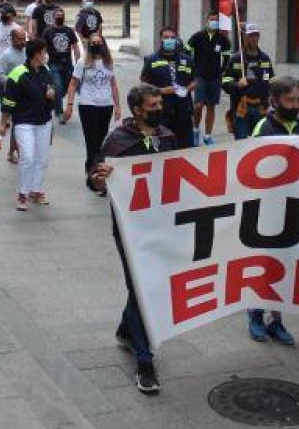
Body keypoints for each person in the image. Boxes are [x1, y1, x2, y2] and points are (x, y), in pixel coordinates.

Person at [87, 84, 177, 396]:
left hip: (162, 224)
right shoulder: (118, 141)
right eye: (153, 104)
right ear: (137, 110)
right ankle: (145, 361)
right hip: (131, 229)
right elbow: (95, 179)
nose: (158, 108)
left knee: (147, 285)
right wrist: (99, 180)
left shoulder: (167, 137)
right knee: (142, 287)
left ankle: (127, 330)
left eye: (160, 103)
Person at [246, 76, 299, 346]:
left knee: (286, 265)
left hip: (293, 206)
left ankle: (277, 320)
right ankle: (256, 314)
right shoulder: (264, 127)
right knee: (265, 264)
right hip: (267, 209)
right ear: (274, 101)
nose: (295, 105)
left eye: (298, 100)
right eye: (289, 100)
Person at [0, 39, 55, 210]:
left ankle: (36, 191)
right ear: (36, 54)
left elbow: (52, 89)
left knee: (42, 158)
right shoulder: (18, 73)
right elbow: (8, 100)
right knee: (27, 156)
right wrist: (3, 122)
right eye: (43, 52)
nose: (45, 55)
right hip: (24, 122)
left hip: (44, 122)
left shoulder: (46, 70)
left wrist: (52, 94)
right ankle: (22, 194)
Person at [64, 33, 120, 195]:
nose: (96, 44)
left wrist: (117, 106)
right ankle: (94, 179)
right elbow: (73, 84)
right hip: (88, 105)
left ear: (104, 44)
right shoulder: (83, 63)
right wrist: (69, 105)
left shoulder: (108, 62)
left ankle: (91, 169)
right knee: (92, 143)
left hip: (106, 105)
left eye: (99, 42)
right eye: (93, 42)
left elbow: (113, 84)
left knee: (101, 141)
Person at [141, 26, 196, 150]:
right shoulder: (151, 60)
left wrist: (191, 86)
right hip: (161, 112)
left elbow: (195, 79)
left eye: (172, 37)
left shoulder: (186, 59)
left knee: (186, 149)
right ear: (160, 39)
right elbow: (143, 85)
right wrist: (160, 90)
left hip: (184, 111)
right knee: (164, 149)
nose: (169, 40)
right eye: (166, 38)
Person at [221, 23, 274, 140]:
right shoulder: (236, 59)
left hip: (261, 107)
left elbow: (271, 80)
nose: (254, 38)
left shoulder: (265, 58)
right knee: (241, 142)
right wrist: (237, 84)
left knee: (260, 141)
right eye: (250, 35)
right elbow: (225, 82)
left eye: (256, 35)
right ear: (244, 37)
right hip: (242, 108)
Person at [186, 12, 230, 146]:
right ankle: (194, 131)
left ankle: (208, 135)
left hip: (215, 78)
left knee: (211, 106)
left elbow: (227, 58)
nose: (214, 22)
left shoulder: (223, 39)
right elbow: (186, 52)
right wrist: (191, 71)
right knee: (198, 105)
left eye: (216, 20)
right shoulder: (197, 37)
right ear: (207, 21)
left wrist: (222, 72)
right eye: (211, 20)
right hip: (199, 76)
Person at [0, 27, 27, 165]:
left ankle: (17, 150)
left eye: (24, 39)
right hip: (12, 94)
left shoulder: (27, 53)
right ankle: (13, 151)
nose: (23, 42)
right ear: (12, 39)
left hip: (27, 94)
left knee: (21, 123)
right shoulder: (6, 55)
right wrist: (14, 81)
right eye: (20, 39)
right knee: (16, 123)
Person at [40, 8, 79, 123]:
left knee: (65, 90)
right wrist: (41, 60)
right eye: (57, 15)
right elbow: (42, 47)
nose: (59, 17)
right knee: (57, 87)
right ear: (53, 17)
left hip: (68, 64)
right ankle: (59, 112)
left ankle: (53, 101)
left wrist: (78, 62)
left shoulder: (69, 31)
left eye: (61, 15)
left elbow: (75, 47)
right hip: (53, 64)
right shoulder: (48, 31)